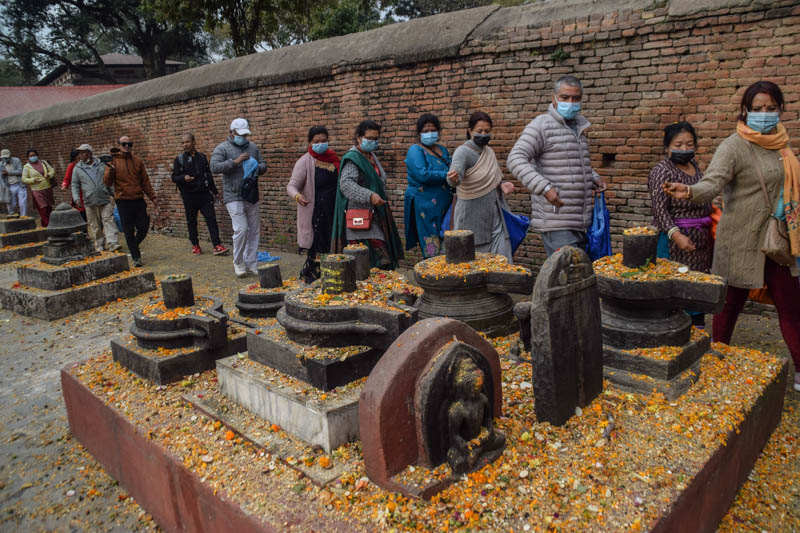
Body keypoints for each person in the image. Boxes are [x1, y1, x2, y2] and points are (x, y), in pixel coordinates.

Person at [664, 80, 800, 392]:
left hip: (777, 241)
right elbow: (711, 184)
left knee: (792, 308)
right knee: (729, 307)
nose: (764, 114)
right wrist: (689, 191)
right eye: (757, 109)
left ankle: (799, 372)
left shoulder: (782, 145)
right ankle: (715, 364)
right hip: (739, 240)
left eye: (770, 108)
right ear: (745, 111)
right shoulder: (734, 146)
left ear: (780, 110)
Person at [507, 75, 607, 257]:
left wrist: (592, 177)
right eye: (565, 97)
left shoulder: (579, 127)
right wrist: (545, 187)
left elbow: (569, 162)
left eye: (575, 98)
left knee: (576, 275)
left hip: (580, 218)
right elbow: (515, 159)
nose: (570, 102)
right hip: (557, 218)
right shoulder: (541, 125)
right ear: (554, 98)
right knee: (569, 274)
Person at [648, 122, 713, 327]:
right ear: (667, 147)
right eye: (678, 144)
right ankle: (671, 335)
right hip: (674, 241)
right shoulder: (662, 171)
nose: (685, 149)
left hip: (700, 242)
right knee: (675, 286)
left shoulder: (695, 168)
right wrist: (676, 235)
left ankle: (697, 332)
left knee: (696, 287)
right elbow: (659, 210)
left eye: (689, 144)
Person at [331, 120, 403, 270]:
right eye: (369, 138)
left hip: (376, 215)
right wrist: (369, 196)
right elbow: (346, 185)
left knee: (381, 258)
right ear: (359, 138)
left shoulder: (371, 156)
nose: (373, 142)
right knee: (369, 259)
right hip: (360, 219)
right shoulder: (353, 158)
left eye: (376, 139)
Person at [445, 111, 515, 262]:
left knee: (502, 258)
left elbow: (492, 179)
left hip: (494, 215)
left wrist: (502, 185)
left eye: (487, 131)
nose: (483, 134)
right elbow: (454, 179)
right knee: (474, 259)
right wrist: (454, 179)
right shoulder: (463, 152)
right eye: (479, 131)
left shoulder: (488, 152)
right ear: (470, 131)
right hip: (471, 214)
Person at [210, 118, 267, 277]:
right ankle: (238, 262)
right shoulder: (222, 148)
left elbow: (264, 164)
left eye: (245, 134)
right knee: (241, 229)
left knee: (254, 231)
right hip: (233, 194)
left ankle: (252, 263)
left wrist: (258, 167)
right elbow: (214, 167)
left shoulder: (253, 147)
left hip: (251, 194)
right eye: (240, 134)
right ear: (231, 132)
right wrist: (235, 162)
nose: (243, 137)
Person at [287, 126, 340, 283]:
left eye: (324, 141)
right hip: (315, 214)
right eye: (317, 141)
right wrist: (297, 196)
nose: (321, 144)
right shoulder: (305, 162)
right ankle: (312, 280)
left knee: (332, 248)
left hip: (333, 211)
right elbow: (291, 185)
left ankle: (330, 278)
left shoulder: (334, 159)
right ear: (310, 142)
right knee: (317, 250)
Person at [103, 136, 158, 267]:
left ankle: (134, 245)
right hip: (123, 201)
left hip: (138, 199)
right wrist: (110, 171)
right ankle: (136, 257)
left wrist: (153, 197)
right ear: (119, 145)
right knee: (128, 230)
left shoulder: (137, 161)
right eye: (124, 144)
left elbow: (145, 181)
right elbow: (107, 182)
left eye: (129, 144)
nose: (127, 146)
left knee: (143, 226)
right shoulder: (113, 161)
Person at [404, 113, 453, 258]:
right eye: (425, 131)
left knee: (446, 237)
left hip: (445, 203)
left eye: (432, 130)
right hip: (425, 204)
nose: (429, 133)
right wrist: (446, 175)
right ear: (419, 134)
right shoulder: (415, 150)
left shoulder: (442, 150)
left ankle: (444, 272)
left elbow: (452, 169)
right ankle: (431, 273)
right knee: (430, 239)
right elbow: (422, 174)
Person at [171, 134, 228, 256]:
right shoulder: (179, 159)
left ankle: (217, 245)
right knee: (191, 221)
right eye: (183, 143)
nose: (185, 144)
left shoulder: (202, 157)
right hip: (189, 196)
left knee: (211, 219)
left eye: (187, 142)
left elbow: (208, 175)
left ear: (193, 142)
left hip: (204, 194)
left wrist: (215, 191)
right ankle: (195, 245)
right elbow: (174, 177)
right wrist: (183, 177)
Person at [71, 144, 120, 252]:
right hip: (89, 201)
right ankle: (99, 244)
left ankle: (113, 243)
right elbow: (74, 185)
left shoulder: (101, 165)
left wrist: (114, 194)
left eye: (83, 152)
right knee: (95, 225)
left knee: (108, 220)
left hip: (104, 198)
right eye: (80, 153)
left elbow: (108, 180)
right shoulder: (77, 169)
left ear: (90, 153)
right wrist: (76, 199)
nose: (81, 155)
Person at [21, 149, 56, 226]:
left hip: (47, 187)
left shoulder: (44, 162)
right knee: (43, 209)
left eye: (34, 155)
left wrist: (49, 175)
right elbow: (24, 179)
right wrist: (33, 180)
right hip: (37, 190)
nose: (33, 157)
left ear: (37, 155)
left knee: (49, 208)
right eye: (31, 156)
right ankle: (49, 225)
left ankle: (44, 226)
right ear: (28, 158)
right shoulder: (26, 167)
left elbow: (52, 171)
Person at [60, 149, 86, 221]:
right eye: (79, 154)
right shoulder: (72, 166)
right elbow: (67, 178)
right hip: (79, 191)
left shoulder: (85, 164)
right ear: (76, 156)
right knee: (81, 208)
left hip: (88, 189)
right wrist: (64, 185)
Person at [1, 149, 25, 216]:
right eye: (3, 158)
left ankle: (24, 217)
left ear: (10, 156)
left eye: (6, 157)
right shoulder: (1, 164)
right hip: (9, 186)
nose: (5, 159)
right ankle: (12, 216)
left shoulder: (16, 160)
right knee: (11, 203)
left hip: (19, 184)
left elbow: (20, 171)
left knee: (22, 203)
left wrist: (8, 173)